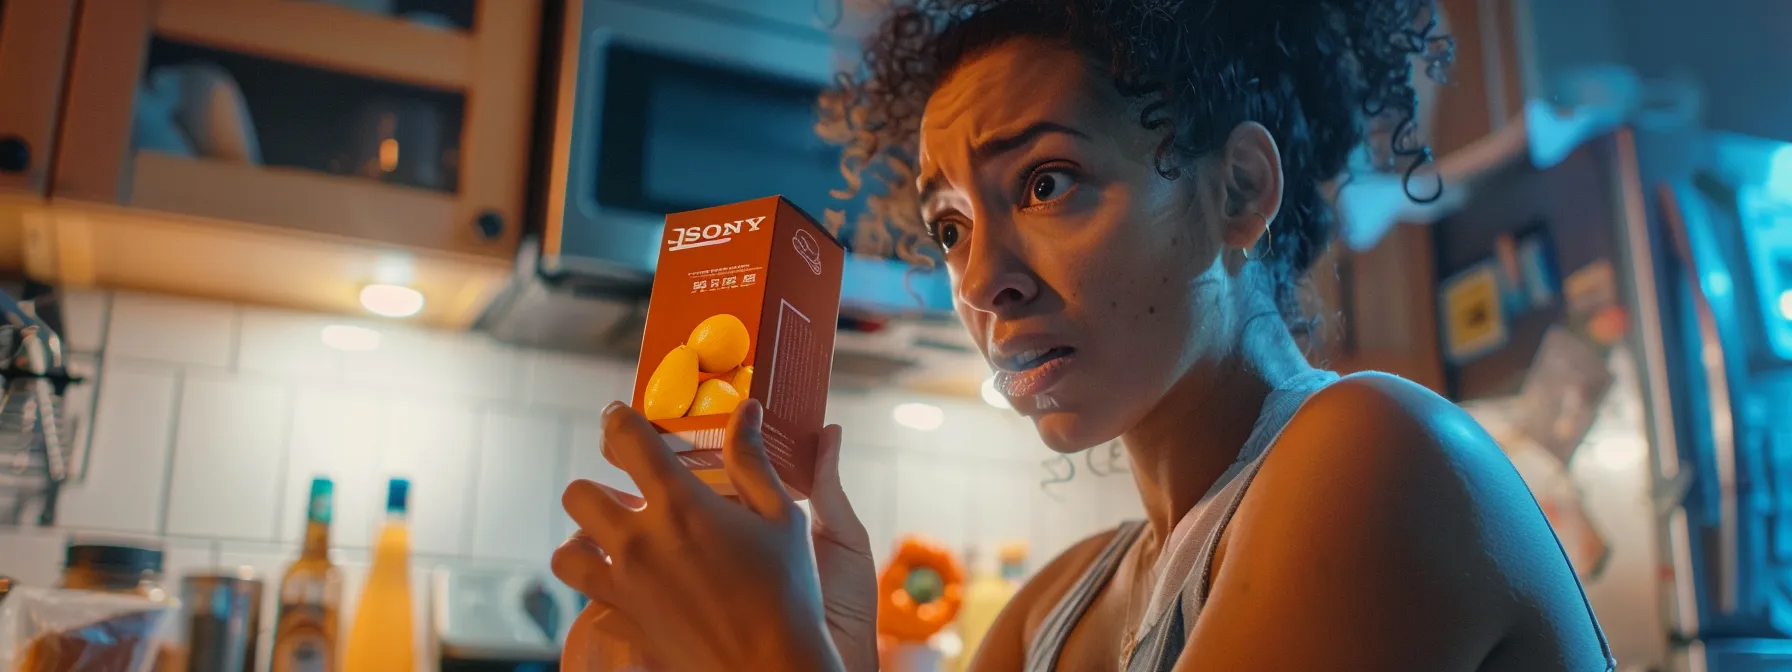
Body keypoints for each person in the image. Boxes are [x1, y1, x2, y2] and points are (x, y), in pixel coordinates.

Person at [552, 0, 1617, 670]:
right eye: (950, 227)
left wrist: (766, 654)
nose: (981, 282)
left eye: (1047, 183)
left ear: (1238, 192)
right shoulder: (1048, 616)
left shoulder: (1382, 458)